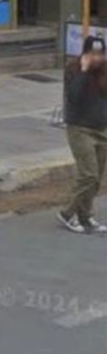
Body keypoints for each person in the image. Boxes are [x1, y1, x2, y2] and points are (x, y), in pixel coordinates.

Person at [58, 35, 107, 234]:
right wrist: (84, 71)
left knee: (96, 178)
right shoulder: (73, 69)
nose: (97, 58)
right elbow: (74, 96)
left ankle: (85, 215)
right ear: (85, 53)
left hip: (101, 129)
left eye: (100, 54)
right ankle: (67, 213)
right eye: (92, 53)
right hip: (79, 128)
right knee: (88, 174)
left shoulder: (104, 71)